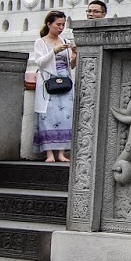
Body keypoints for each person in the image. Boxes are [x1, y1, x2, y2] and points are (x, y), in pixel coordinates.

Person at [29, 10, 75, 163]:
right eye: (58, 24)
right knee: (47, 116)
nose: (61, 28)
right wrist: (54, 51)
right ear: (49, 24)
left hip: (65, 80)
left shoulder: (64, 40)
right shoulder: (40, 42)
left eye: (63, 25)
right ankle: (49, 153)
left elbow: (71, 65)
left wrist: (74, 55)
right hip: (49, 81)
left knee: (65, 115)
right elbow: (40, 62)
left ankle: (61, 152)